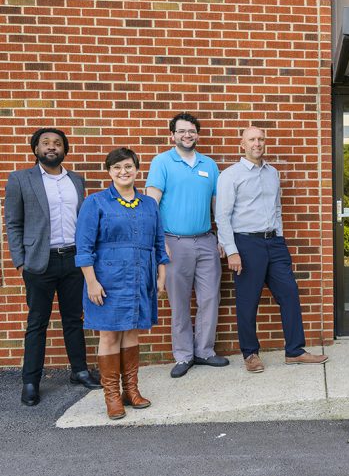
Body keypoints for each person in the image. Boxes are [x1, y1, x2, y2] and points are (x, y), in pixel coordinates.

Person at [215, 127, 328, 372]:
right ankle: (250, 354)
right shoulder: (230, 175)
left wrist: (280, 237)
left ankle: (295, 351)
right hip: (246, 243)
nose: (257, 143)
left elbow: (277, 209)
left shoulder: (272, 173)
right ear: (242, 144)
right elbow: (222, 216)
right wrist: (232, 250)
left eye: (261, 139)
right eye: (252, 139)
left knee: (289, 294)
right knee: (248, 301)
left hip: (274, 243)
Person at [4, 128, 101, 407]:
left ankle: (79, 371)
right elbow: (13, 223)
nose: (51, 147)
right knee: (37, 322)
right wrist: (20, 262)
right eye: (45, 143)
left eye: (57, 143)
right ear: (35, 149)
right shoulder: (20, 179)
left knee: (73, 319)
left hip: (72, 259)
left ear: (64, 150)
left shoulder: (76, 180)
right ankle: (31, 381)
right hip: (39, 262)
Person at [75, 148, 169, 420]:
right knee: (109, 335)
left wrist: (161, 274)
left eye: (128, 166)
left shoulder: (149, 204)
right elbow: (83, 247)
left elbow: (159, 242)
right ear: (109, 171)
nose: (123, 172)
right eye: (117, 167)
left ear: (137, 169)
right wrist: (91, 282)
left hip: (140, 277)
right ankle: (112, 397)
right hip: (107, 280)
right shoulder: (95, 202)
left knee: (132, 332)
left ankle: (131, 391)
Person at [146, 113, 229, 378]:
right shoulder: (162, 162)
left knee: (210, 298)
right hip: (174, 242)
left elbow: (218, 206)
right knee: (179, 302)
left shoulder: (209, 165)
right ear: (172, 135)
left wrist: (222, 238)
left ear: (197, 134)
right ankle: (183, 355)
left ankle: (204, 351)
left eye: (191, 131)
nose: (187, 135)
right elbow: (151, 204)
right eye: (181, 131)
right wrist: (160, 242)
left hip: (206, 241)